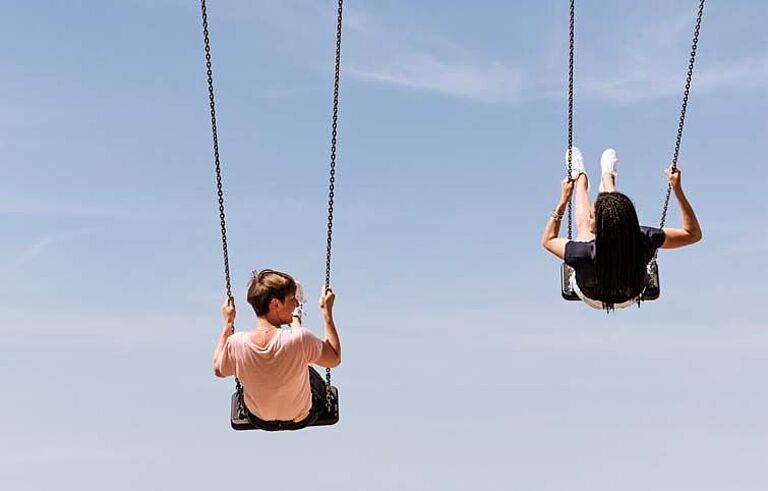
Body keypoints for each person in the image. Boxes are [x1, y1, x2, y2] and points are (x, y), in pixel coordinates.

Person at [542, 147, 702, 311]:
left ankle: (580, 180)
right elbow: (692, 234)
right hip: (631, 294)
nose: (589, 214)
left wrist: (563, 200)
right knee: (615, 212)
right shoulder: (644, 238)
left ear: (600, 228)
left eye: (592, 216)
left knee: (584, 228)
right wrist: (678, 189)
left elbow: (548, 240)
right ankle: (608, 178)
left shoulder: (584, 253)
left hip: (592, 297)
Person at [213, 269, 341, 427]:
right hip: (301, 417)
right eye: (293, 300)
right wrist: (327, 312)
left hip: (259, 419)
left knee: (297, 351)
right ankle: (296, 319)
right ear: (276, 304)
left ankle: (295, 321)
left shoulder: (236, 343)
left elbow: (218, 369)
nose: (295, 303)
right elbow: (334, 359)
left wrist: (228, 324)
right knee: (304, 362)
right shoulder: (302, 339)